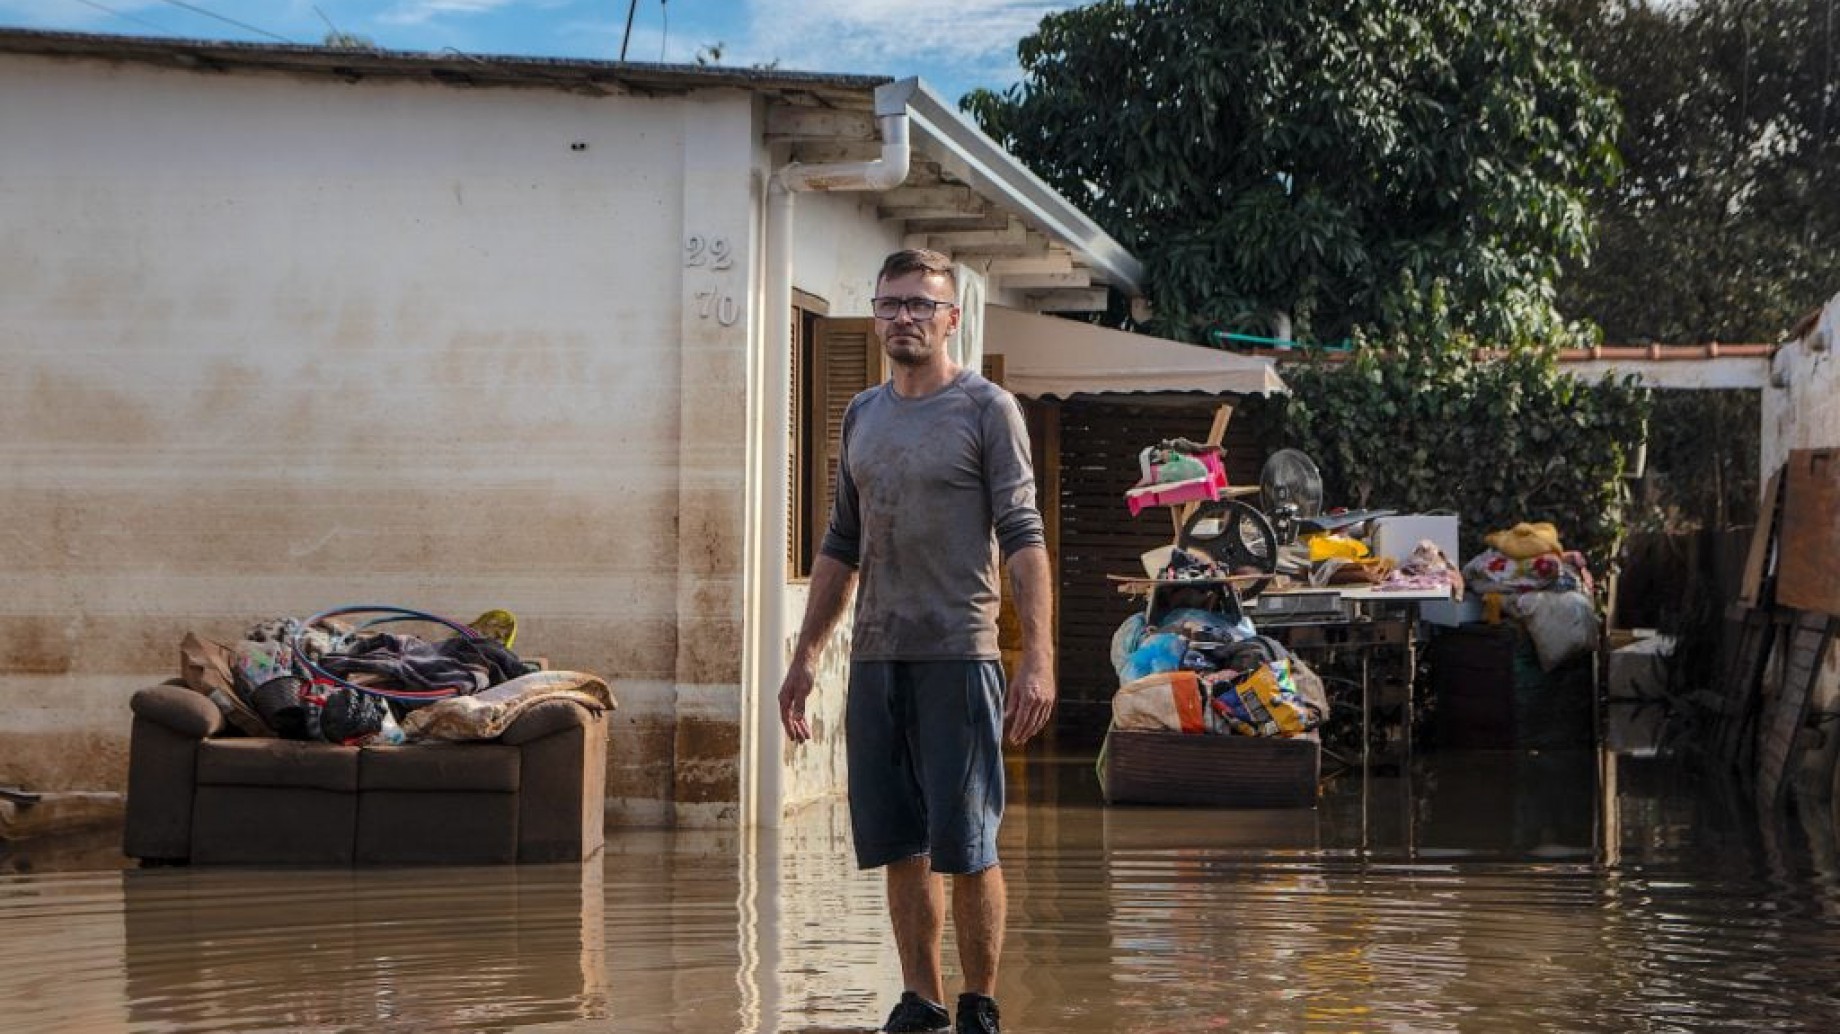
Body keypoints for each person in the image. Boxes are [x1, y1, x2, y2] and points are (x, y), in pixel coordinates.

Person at [778, 248, 1055, 1034]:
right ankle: (923, 1001)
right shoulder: (861, 415)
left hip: (959, 655)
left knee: (966, 843)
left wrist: (1036, 655)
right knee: (898, 842)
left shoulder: (986, 409)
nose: (904, 317)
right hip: (875, 656)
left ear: (950, 319)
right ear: (875, 315)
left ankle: (980, 1006)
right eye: (890, 304)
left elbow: (1024, 535)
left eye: (920, 306)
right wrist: (803, 658)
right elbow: (840, 542)